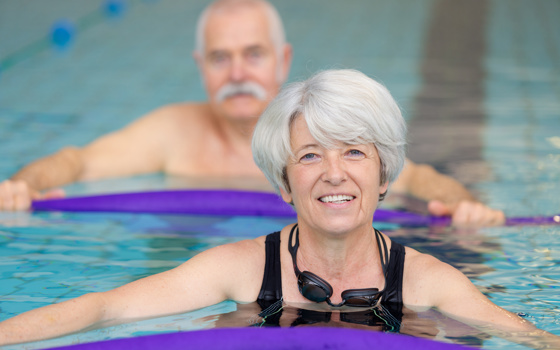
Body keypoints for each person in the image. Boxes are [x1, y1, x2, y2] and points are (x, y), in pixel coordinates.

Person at [0, 69, 556, 347]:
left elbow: (528, 339)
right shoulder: (238, 269)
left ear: (384, 174)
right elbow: (105, 310)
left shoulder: (431, 283)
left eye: (355, 152)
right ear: (285, 183)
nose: (334, 172)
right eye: (310, 155)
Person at [0, 0, 505, 226]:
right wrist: (26, 183)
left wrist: (460, 205)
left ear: (283, 60)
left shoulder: (320, 135)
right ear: (202, 68)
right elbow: (77, 162)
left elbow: (418, 179)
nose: (237, 71)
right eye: (221, 58)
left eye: (254, 54)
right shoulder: (173, 131)